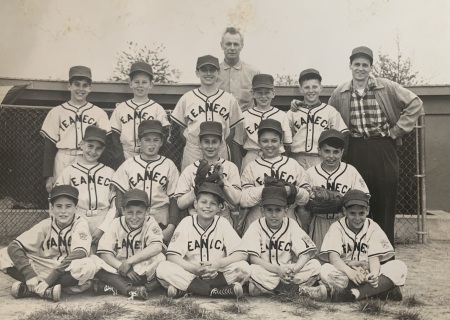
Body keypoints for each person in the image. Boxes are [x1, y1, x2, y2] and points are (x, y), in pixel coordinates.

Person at [328, 46, 423, 245]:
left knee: (385, 201)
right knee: (357, 199)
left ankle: (385, 251)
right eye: (357, 64)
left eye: (365, 65)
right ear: (350, 66)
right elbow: (329, 116)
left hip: (383, 148)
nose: (360, 69)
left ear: (371, 67)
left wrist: (397, 130)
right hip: (355, 150)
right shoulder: (340, 92)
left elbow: (415, 103)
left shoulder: (386, 87)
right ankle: (358, 249)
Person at [156, 182, 250, 299]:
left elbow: (242, 254)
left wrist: (218, 264)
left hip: (217, 273)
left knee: (244, 268)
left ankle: (188, 289)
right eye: (203, 202)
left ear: (219, 207)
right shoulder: (186, 222)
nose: (208, 206)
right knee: (163, 268)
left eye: (213, 203)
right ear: (195, 204)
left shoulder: (222, 223)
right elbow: (172, 256)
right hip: (191, 272)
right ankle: (216, 291)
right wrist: (194, 269)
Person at [0, 185, 92, 301]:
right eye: (58, 206)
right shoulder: (46, 224)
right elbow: (14, 246)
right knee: (3, 254)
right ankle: (45, 289)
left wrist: (49, 280)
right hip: (45, 266)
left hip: (66, 269)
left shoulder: (80, 223)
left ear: (76, 208)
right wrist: (29, 274)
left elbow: (80, 253)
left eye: (68, 206)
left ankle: (33, 289)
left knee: (88, 265)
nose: (63, 211)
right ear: (52, 208)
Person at [316, 189, 407, 302]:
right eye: (352, 213)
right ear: (344, 211)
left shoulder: (373, 227)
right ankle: (379, 291)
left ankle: (354, 294)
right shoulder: (337, 227)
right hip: (345, 272)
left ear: (367, 210)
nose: (357, 218)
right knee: (325, 270)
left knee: (399, 266)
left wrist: (373, 274)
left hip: (367, 273)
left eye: (361, 213)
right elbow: (333, 258)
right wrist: (350, 272)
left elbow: (374, 258)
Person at [241, 185, 322, 298]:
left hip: (289, 272)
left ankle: (267, 289)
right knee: (251, 269)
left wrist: (295, 269)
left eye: (278, 210)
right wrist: (278, 270)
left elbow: (305, 253)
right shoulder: (256, 226)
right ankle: (300, 291)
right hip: (267, 271)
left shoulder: (291, 224)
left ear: (286, 210)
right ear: (262, 211)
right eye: (269, 210)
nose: (274, 215)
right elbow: (253, 258)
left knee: (315, 265)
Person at [40, 66, 111, 192]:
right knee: (60, 195)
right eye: (77, 84)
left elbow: (105, 144)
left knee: (86, 196)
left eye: (85, 85)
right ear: (69, 86)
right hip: (63, 157)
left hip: (89, 158)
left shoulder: (99, 113)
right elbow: (49, 146)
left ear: (90, 88)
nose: (80, 89)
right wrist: (48, 175)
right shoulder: (56, 112)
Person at [171, 55, 244, 171]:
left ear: (218, 73)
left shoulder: (228, 99)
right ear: (197, 73)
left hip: (219, 148)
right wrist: (194, 143)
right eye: (204, 70)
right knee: (191, 183)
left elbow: (232, 130)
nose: (208, 73)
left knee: (219, 183)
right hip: (193, 150)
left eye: (212, 70)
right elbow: (181, 129)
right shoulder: (187, 98)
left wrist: (221, 144)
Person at [112, 120, 179, 244]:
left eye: (156, 140)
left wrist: (171, 226)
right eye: (147, 140)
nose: (151, 144)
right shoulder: (129, 164)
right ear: (139, 142)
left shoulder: (169, 165)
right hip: (134, 218)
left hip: (161, 218)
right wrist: (123, 218)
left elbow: (174, 199)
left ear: (161, 142)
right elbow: (120, 196)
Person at [239, 119, 311, 233]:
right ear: (258, 142)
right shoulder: (251, 167)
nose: (269, 145)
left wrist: (293, 190)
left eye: (274, 141)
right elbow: (244, 200)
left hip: (288, 218)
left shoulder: (292, 164)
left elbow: (306, 198)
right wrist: (266, 189)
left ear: (281, 142)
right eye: (264, 141)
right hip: (258, 218)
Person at [93, 189, 165, 300]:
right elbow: (104, 253)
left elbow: (156, 246)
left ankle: (114, 286)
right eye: (130, 212)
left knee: (160, 258)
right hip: (117, 267)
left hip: (139, 269)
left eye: (139, 212)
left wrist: (129, 262)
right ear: (123, 210)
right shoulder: (116, 223)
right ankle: (132, 290)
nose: (134, 217)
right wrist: (122, 267)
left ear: (147, 211)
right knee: (94, 260)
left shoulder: (150, 222)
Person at [304, 129, 369, 250]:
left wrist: (342, 202)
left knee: (343, 257)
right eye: (326, 151)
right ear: (319, 151)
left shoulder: (350, 171)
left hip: (343, 221)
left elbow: (364, 196)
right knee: (318, 257)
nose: (331, 156)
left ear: (342, 152)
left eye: (336, 152)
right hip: (319, 222)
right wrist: (310, 204)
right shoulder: (310, 173)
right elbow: (304, 201)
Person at [55, 125, 117, 247]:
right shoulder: (68, 172)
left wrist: (102, 228)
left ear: (103, 149)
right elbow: (56, 202)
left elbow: (115, 205)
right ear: (81, 144)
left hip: (102, 219)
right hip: (77, 219)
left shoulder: (110, 173)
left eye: (98, 148)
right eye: (90, 146)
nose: (93, 151)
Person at [175, 121, 241, 227]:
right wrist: (197, 187)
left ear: (221, 144)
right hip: (196, 222)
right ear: (200, 144)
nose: (210, 146)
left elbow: (236, 200)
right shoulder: (190, 169)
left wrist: (222, 180)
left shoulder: (230, 167)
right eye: (206, 142)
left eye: (214, 142)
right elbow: (180, 204)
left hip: (223, 221)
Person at [110, 61, 170, 168]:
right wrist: (120, 160)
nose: (140, 85)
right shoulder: (121, 108)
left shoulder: (157, 109)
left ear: (151, 84)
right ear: (131, 83)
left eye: (144, 82)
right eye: (137, 82)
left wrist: (157, 157)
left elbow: (163, 138)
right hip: (126, 153)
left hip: (151, 154)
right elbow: (114, 138)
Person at [217, 26, 260, 171]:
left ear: (242, 46)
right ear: (222, 45)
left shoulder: (252, 72)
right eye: (228, 44)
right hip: (220, 127)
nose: (232, 47)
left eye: (236, 44)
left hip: (245, 129)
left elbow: (261, 99)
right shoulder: (213, 71)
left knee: (244, 168)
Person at [288, 68, 348, 170]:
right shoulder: (293, 112)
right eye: (307, 87)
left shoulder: (330, 111)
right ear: (301, 89)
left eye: (315, 87)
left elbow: (343, 135)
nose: (311, 90)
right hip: (296, 158)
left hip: (321, 159)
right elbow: (285, 139)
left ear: (320, 88)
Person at [233, 74, 292, 172]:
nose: (263, 96)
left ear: (273, 93)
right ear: (252, 94)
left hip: (275, 157)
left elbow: (287, 144)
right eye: (259, 93)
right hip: (252, 156)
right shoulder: (244, 116)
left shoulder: (281, 115)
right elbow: (237, 144)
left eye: (267, 92)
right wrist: (238, 169)